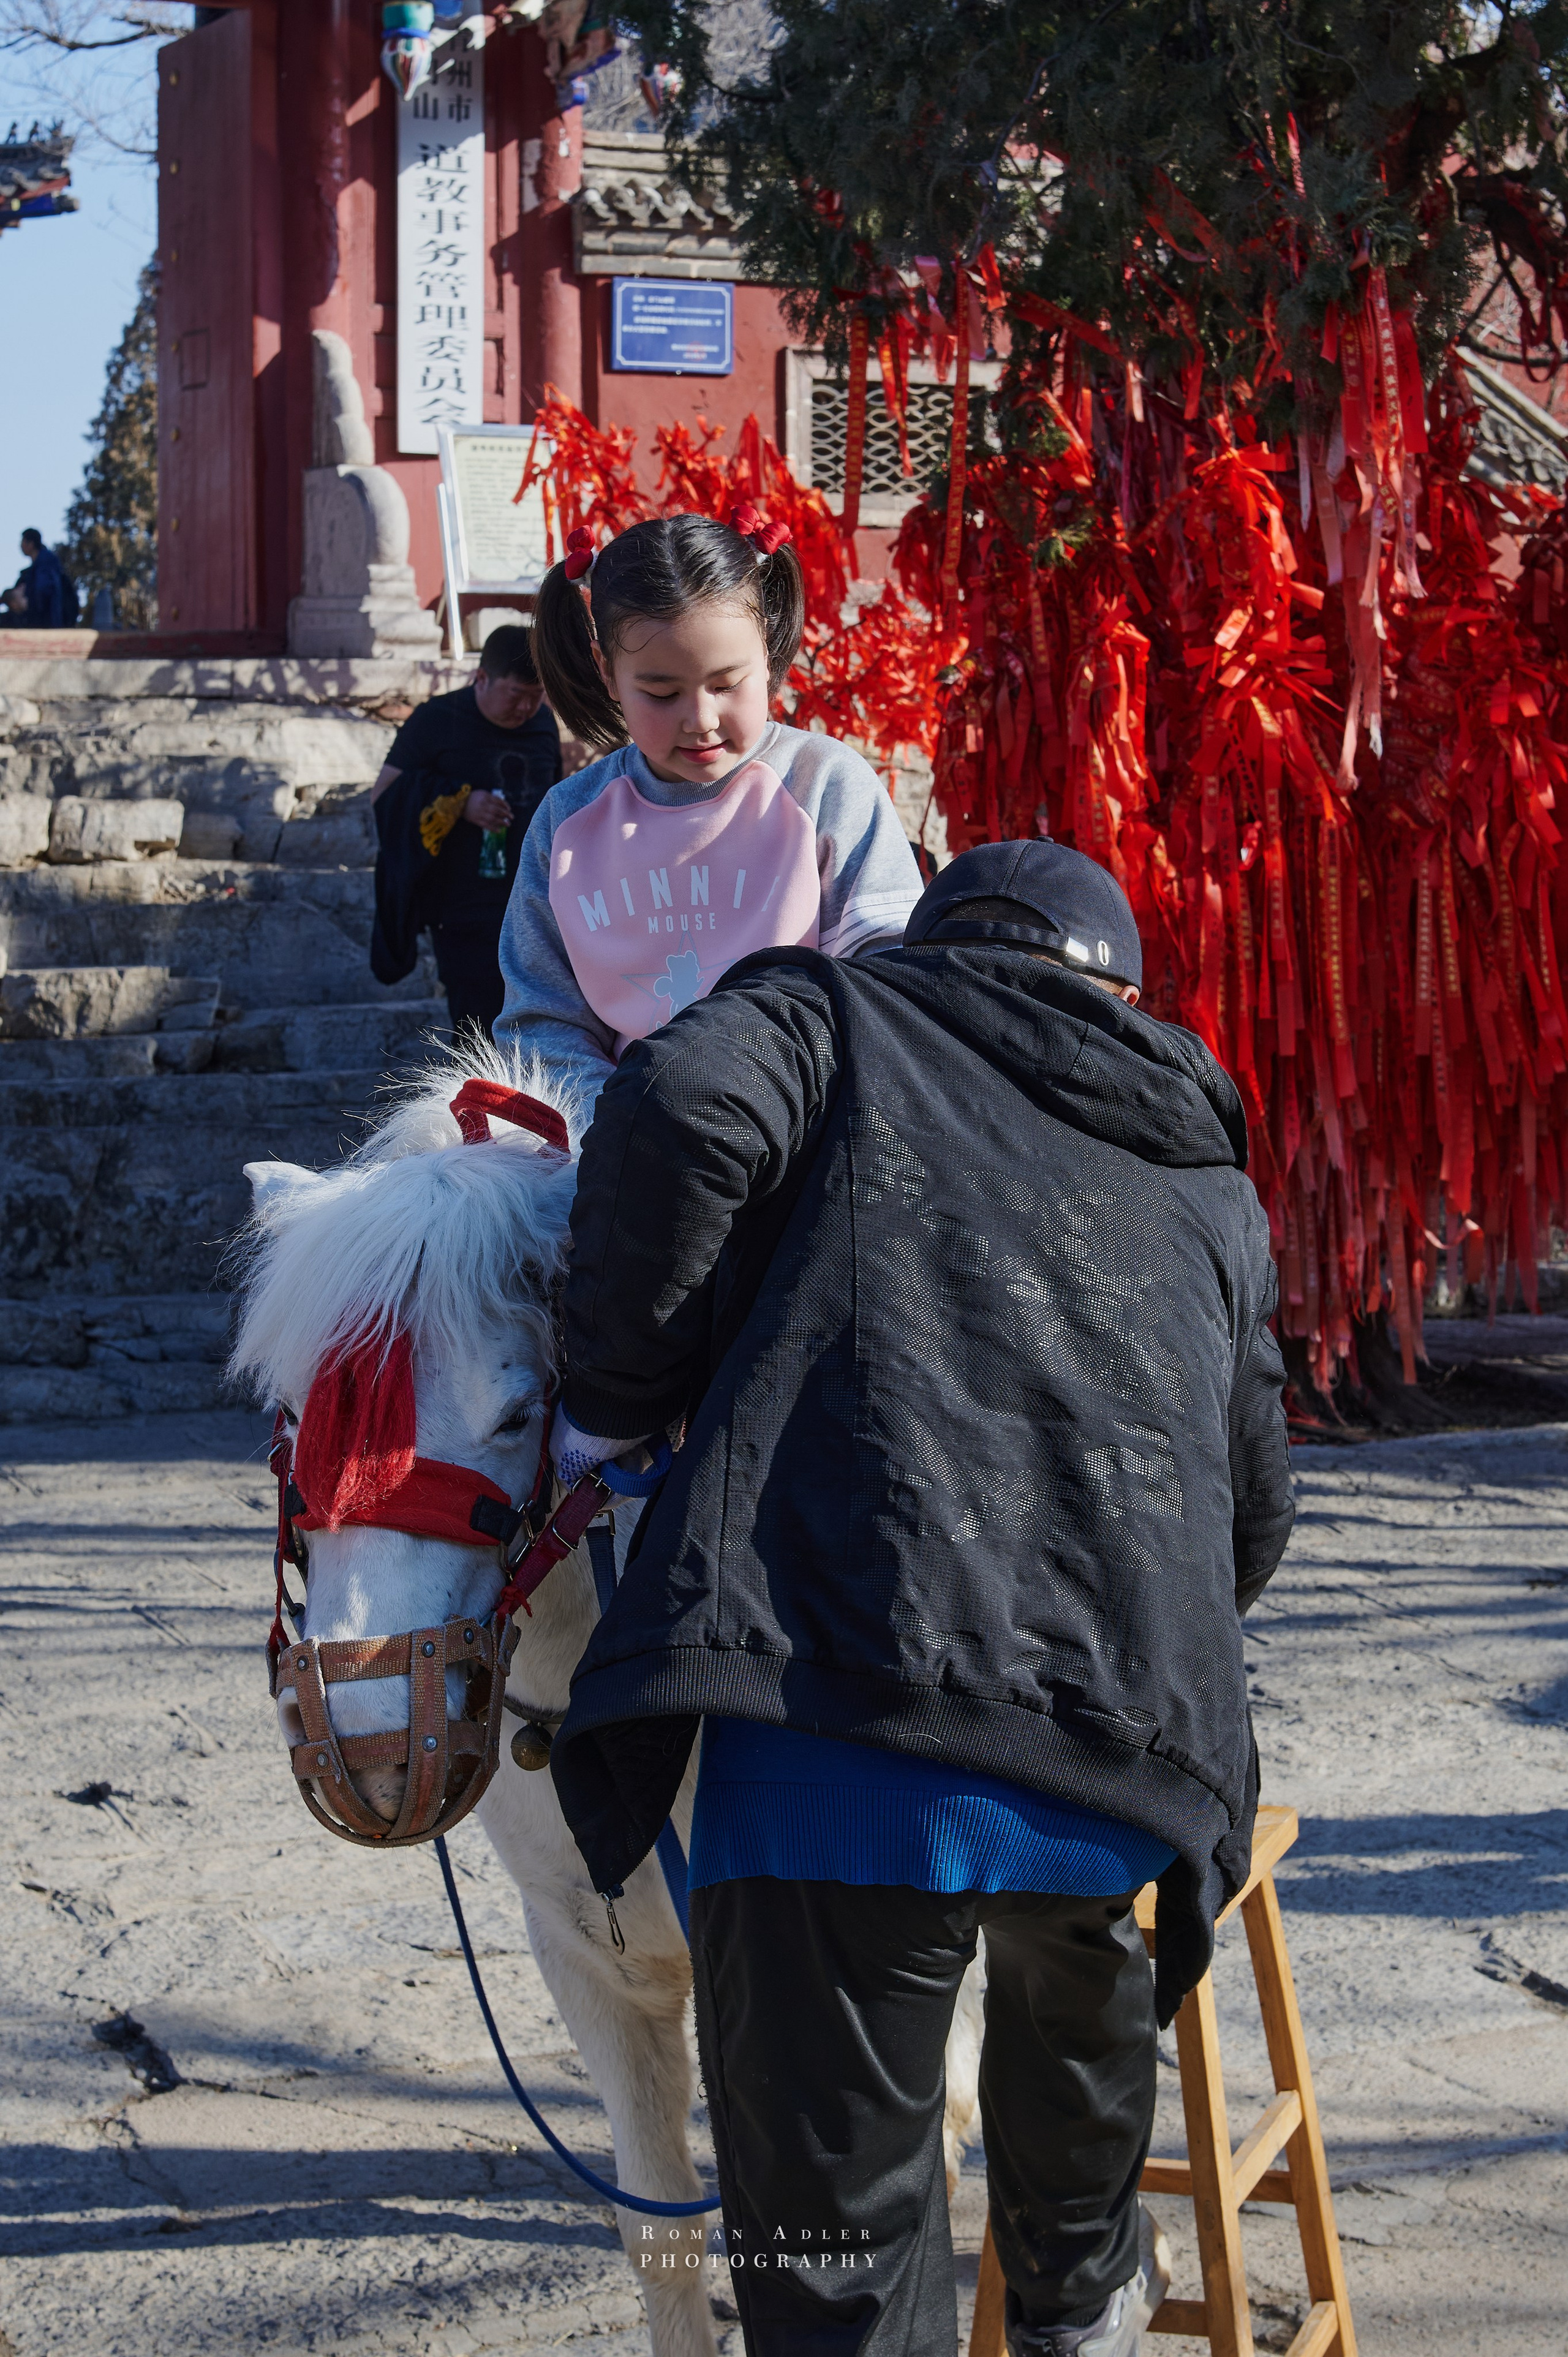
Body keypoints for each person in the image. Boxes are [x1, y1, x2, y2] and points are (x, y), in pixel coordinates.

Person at [545, 839, 1296, 2357]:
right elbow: (1251, 1516)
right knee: (1073, 2171)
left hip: (834, 1741)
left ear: (924, 950)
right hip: (1110, 1773)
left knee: (831, 2266)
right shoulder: (1204, 1176)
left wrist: (617, 1389)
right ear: (1130, 1000)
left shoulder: (833, 1019)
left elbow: (683, 1101)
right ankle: (1079, 2298)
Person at [494, 504, 923, 1106]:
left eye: (726, 684)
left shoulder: (824, 786)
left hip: (803, 1133)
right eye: (660, 692)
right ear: (606, 670)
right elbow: (541, 1020)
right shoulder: (568, 820)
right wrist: (626, 1128)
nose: (699, 720)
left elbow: (892, 981)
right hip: (624, 1147)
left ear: (768, 647)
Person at [369, 622, 562, 1034]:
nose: (526, 708)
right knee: (475, 1023)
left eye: (536, 696)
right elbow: (384, 794)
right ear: (482, 679)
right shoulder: (436, 720)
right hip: (461, 904)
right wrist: (459, 802)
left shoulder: (543, 725)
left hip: (530, 898)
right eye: (516, 694)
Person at [1, 529, 76, 628]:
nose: (20, 546)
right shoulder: (39, 565)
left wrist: (29, 605)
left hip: (50, 620)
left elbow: (44, 590)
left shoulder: (45, 562)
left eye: (22, 542)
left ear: (31, 544)